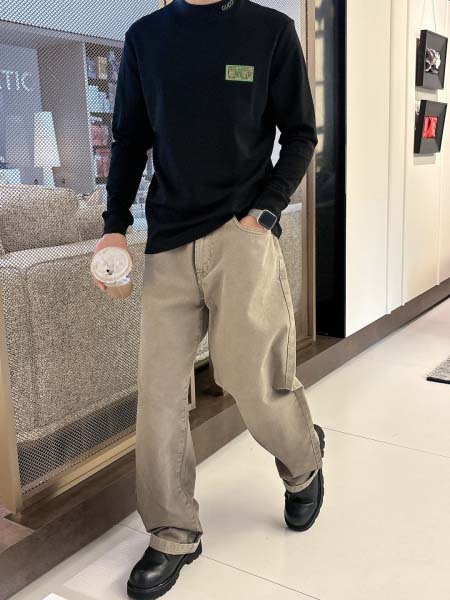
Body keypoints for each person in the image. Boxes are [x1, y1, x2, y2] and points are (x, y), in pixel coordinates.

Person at [92, 0, 325, 598]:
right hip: (168, 241)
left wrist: (266, 208)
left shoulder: (270, 31)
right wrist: (114, 226)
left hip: (240, 234)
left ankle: (303, 461)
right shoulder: (145, 38)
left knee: (252, 378)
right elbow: (130, 138)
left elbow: (300, 132)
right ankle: (172, 532)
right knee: (159, 395)